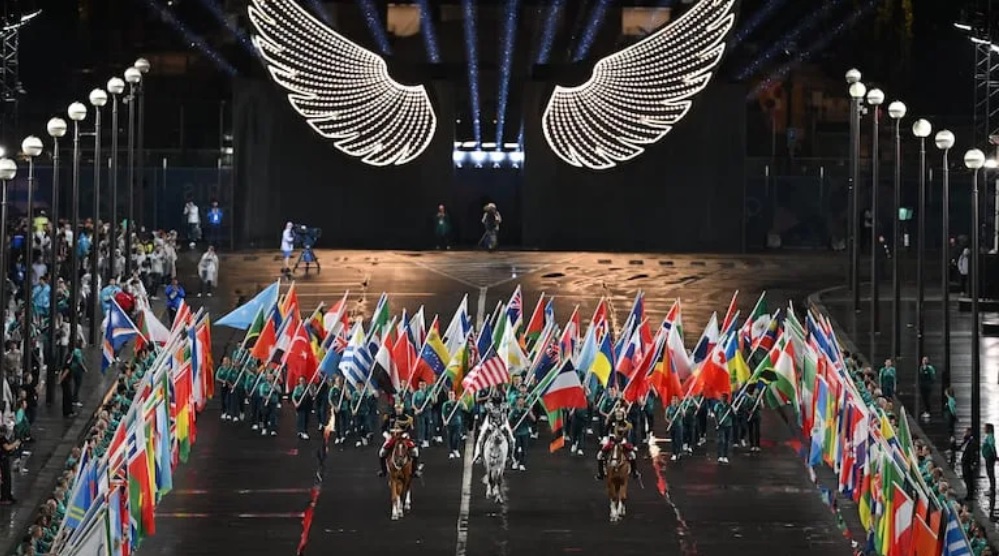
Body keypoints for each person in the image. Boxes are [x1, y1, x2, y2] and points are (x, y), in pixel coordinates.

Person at [378, 402, 421, 478]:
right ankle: (383, 471)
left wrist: (406, 433)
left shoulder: (407, 418)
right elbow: (383, 428)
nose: (398, 410)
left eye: (400, 408)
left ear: (402, 408)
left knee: (415, 451)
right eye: (397, 408)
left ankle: (414, 470)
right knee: (382, 452)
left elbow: (411, 429)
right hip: (392, 437)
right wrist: (386, 435)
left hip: (403, 438)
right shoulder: (389, 416)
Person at [596, 406, 639, 479]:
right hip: (612, 441)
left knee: (632, 455)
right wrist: (605, 439)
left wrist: (624, 440)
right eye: (617, 414)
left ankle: (634, 472)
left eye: (620, 414)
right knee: (599, 455)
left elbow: (627, 433)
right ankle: (601, 473)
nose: (618, 416)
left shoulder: (625, 423)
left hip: (622, 441)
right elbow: (606, 430)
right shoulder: (611, 421)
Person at [472, 391, 514, 462]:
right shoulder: (489, 405)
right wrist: (491, 425)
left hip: (502, 422)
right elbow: (489, 416)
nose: (496, 405)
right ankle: (479, 454)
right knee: (481, 437)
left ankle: (510, 455)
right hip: (490, 421)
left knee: (512, 439)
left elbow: (504, 415)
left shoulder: (504, 405)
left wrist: (502, 425)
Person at [510, 396, 534, 471]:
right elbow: (509, 421)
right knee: (516, 448)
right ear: (517, 402)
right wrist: (511, 429)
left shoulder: (526, 411)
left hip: (525, 433)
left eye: (522, 400)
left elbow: (534, 419)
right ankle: (515, 462)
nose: (521, 402)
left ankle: (522, 463)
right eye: (519, 401)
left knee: (524, 449)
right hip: (517, 433)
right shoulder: (514, 411)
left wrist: (530, 412)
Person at [442, 390, 464, 459]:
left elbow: (465, 408)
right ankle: (451, 452)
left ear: (454, 395)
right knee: (450, 438)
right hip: (449, 423)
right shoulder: (445, 404)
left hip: (457, 423)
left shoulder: (458, 403)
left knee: (456, 437)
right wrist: (444, 421)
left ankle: (456, 449)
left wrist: (462, 401)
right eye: (450, 395)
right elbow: (443, 413)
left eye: (452, 394)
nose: (451, 396)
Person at [0, 424, 19, 504]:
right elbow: (7, 447)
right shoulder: (1, 439)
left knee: (8, 478)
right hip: (2, 460)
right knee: (6, 479)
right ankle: (5, 497)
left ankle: (8, 495)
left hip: (5, 459)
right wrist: (15, 444)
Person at [714, 393, 734, 463]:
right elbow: (715, 415)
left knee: (727, 441)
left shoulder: (730, 406)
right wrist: (716, 424)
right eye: (722, 397)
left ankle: (725, 456)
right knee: (721, 441)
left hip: (728, 425)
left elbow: (733, 416)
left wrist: (732, 409)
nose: (723, 398)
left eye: (725, 397)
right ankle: (720, 456)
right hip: (721, 425)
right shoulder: (717, 405)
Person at [665, 396, 684, 461]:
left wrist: (680, 409)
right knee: (673, 440)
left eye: (676, 399)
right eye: (673, 399)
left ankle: (679, 452)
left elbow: (683, 415)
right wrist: (669, 421)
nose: (674, 401)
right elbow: (666, 417)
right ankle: (674, 453)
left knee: (679, 439)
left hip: (679, 426)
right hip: (672, 426)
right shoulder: (669, 408)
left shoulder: (679, 407)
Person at [917, 356, 936, 421]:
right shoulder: (921, 368)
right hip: (922, 386)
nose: (924, 361)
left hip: (928, 385)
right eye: (923, 360)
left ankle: (928, 411)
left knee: (927, 398)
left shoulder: (930, 368)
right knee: (924, 398)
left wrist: (930, 383)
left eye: (925, 360)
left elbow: (933, 377)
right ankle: (925, 411)